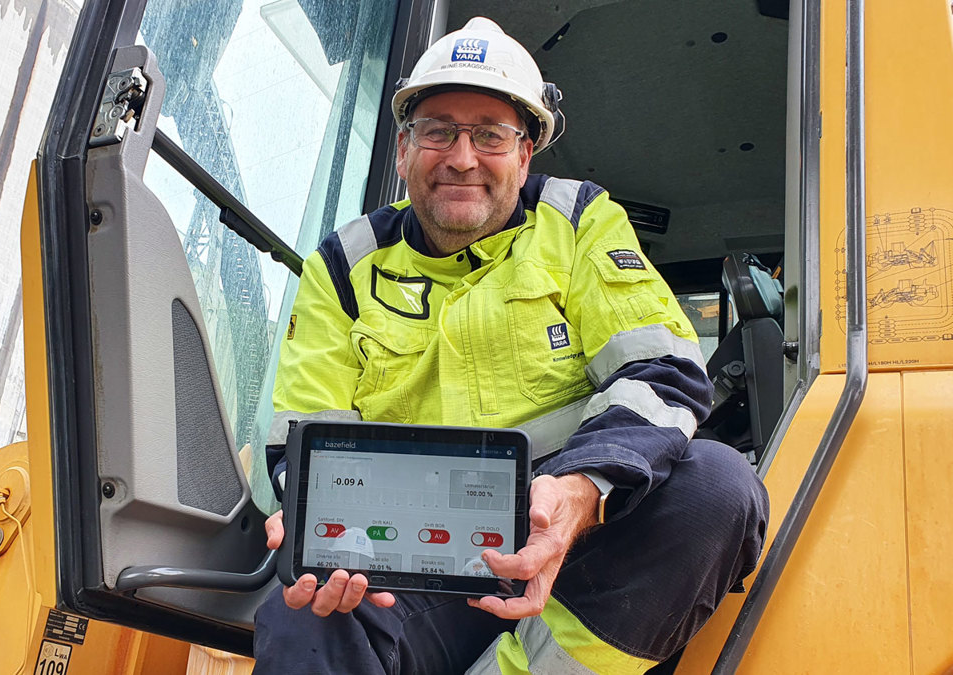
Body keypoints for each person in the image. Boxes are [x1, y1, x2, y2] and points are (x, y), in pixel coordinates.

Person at [253, 17, 768, 674]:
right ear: (405, 147)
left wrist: (579, 490)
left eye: (490, 135)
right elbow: (304, 434)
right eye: (439, 130)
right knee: (305, 612)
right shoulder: (341, 269)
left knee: (718, 488)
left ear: (526, 153)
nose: (462, 157)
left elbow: (664, 372)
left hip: (570, 543)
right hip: (408, 564)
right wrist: (322, 529)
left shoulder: (579, 225)